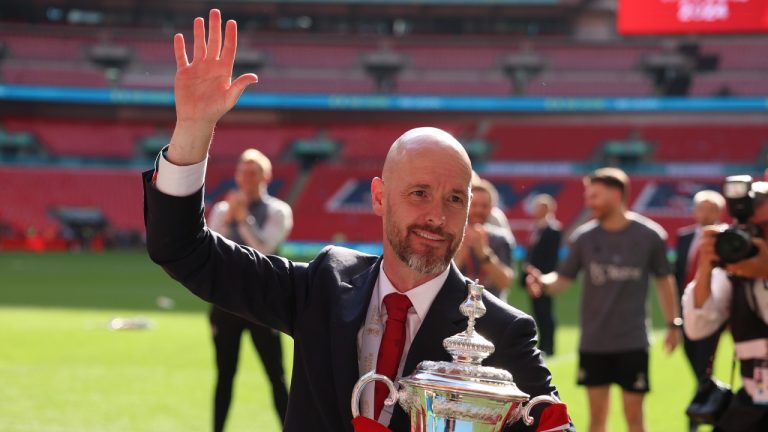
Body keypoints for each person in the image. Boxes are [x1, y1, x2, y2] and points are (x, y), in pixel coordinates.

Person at [142, 9, 573, 432]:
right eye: (419, 193)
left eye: (455, 199)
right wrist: (193, 129)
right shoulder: (325, 286)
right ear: (380, 198)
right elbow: (182, 249)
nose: (437, 216)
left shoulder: (502, 332)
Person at [526, 167, 680, 432]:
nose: (588, 202)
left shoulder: (649, 235)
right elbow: (562, 280)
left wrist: (673, 323)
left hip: (632, 341)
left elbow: (665, 281)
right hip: (594, 342)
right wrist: (542, 282)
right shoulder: (584, 237)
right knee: (597, 419)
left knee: (634, 417)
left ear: (616, 194)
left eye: (594, 196)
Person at [207, 148, 292, 431]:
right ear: (236, 176)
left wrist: (243, 219)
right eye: (243, 172)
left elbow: (264, 248)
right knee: (224, 375)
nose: (247, 178)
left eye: (253, 172)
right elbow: (211, 250)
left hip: (262, 303)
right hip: (226, 303)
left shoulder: (278, 210)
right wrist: (231, 216)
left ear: (266, 176)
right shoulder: (222, 210)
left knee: (276, 375)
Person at [683, 182, 768, 431]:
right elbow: (698, 326)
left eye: (763, 228)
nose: (755, 237)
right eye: (748, 229)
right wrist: (706, 267)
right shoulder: (736, 270)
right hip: (754, 400)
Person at [674, 190, 725, 432]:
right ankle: (711, 404)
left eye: (710, 208)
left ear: (719, 211)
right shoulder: (684, 237)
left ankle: (700, 413)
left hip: (712, 313)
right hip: (686, 310)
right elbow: (677, 276)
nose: (704, 213)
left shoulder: (727, 239)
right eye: (700, 208)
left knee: (704, 364)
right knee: (695, 362)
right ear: (694, 211)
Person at [454, 177, 515, 301]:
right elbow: (438, 282)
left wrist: (484, 254)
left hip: (494, 311)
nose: (479, 210)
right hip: (457, 310)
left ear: (492, 208)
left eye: (484, 206)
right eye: (474, 205)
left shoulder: (501, 238)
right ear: (465, 205)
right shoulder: (452, 236)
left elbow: (506, 283)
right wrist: (460, 255)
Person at [522, 194, 562, 357]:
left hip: (544, 278)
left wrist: (541, 275)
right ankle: (542, 344)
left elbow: (551, 257)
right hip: (532, 277)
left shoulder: (553, 229)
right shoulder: (537, 228)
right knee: (537, 311)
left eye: (539, 207)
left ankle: (549, 346)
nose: (536, 211)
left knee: (545, 311)